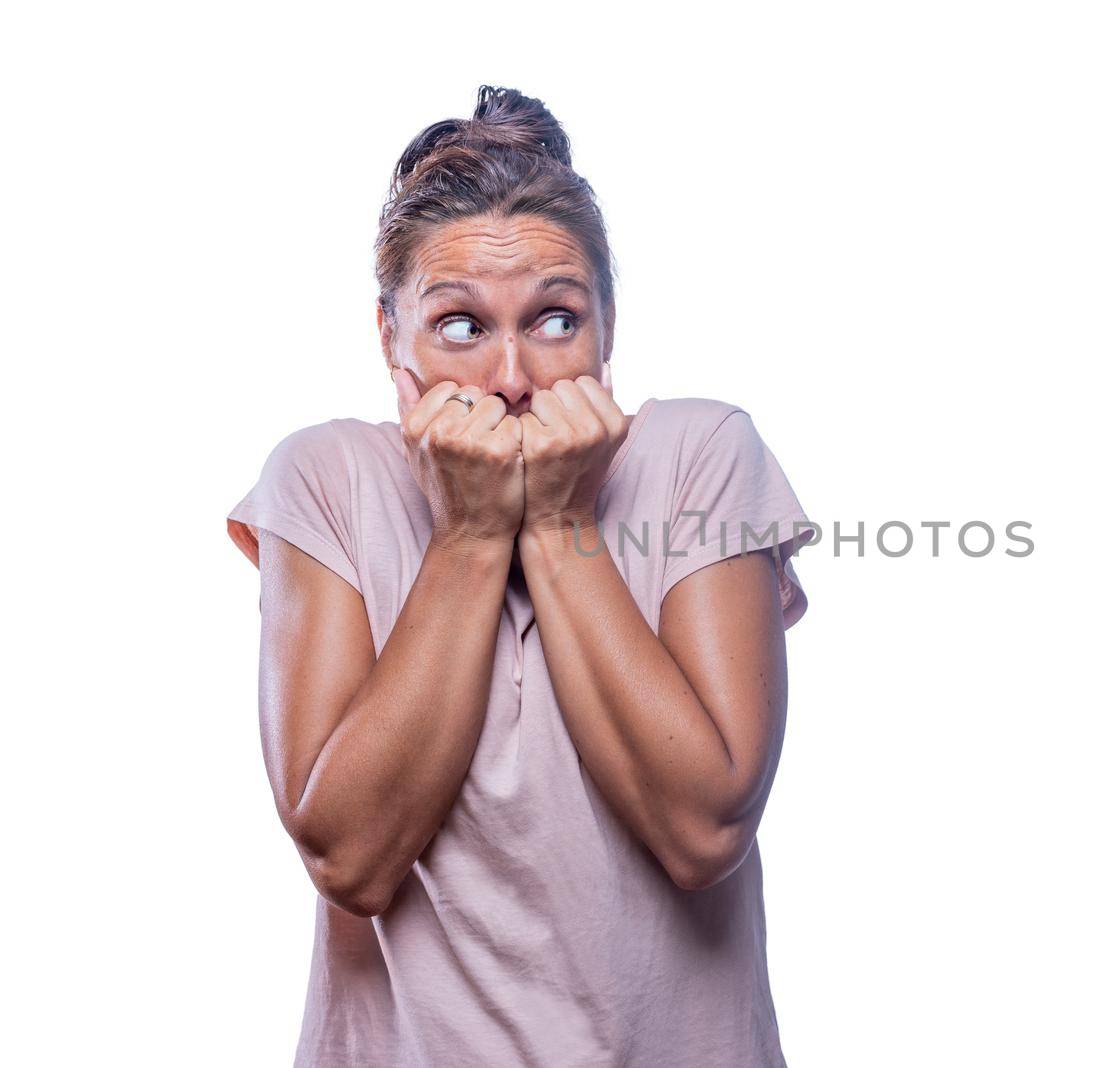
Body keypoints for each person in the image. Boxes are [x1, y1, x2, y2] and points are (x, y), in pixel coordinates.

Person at [225, 85, 813, 1067]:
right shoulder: (327, 478)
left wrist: (555, 516)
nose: (509, 378)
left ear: (608, 329)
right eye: (460, 327)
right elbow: (350, 858)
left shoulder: (703, 452)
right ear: (389, 336)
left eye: (552, 320)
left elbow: (703, 830)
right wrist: (467, 535)